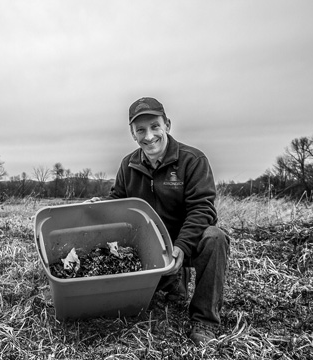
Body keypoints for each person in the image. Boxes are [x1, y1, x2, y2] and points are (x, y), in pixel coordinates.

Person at [90, 97, 229, 345]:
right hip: (149, 244)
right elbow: (120, 202)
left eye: (155, 126)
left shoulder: (192, 160)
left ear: (167, 125)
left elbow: (202, 209)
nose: (149, 136)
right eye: (140, 130)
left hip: (187, 239)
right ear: (133, 134)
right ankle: (173, 281)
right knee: (139, 303)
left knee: (215, 238)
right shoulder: (128, 164)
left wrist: (182, 246)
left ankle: (204, 319)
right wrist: (100, 206)